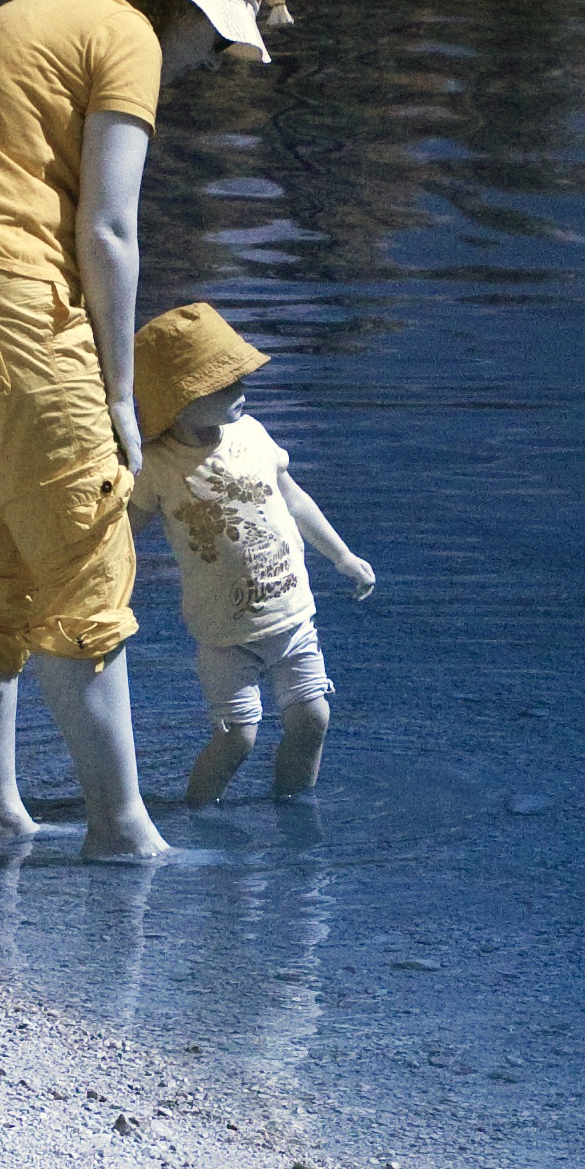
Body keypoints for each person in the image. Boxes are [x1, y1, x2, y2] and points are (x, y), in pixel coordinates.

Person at [0, 0, 292, 861]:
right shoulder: (127, 36)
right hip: (3, 312)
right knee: (88, 561)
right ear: (184, 6)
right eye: (218, 41)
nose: (208, 62)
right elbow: (107, 229)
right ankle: (121, 831)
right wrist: (113, 392)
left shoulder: (39, 11)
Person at [127, 303, 375, 806]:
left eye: (240, 378)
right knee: (237, 738)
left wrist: (342, 557)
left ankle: (295, 808)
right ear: (178, 398)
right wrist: (109, 594)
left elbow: (293, 497)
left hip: (292, 617)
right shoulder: (155, 466)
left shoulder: (254, 434)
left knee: (313, 719)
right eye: (224, 384)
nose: (241, 390)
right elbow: (124, 534)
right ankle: (194, 814)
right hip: (224, 635)